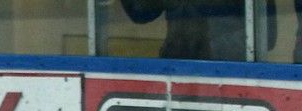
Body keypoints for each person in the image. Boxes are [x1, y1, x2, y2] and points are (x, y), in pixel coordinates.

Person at [118, 0, 277, 60]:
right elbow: (140, 12)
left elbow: (265, 35)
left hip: (228, 78)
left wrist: (211, 49)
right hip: (175, 72)